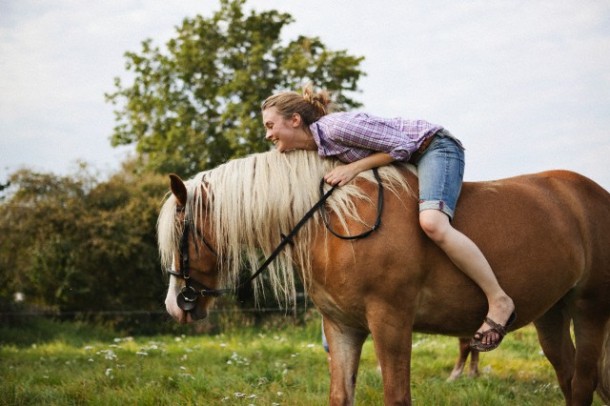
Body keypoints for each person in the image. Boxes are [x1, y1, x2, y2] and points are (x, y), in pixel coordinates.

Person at [261, 84, 516, 351]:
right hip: (405, 161)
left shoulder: (336, 128)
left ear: (294, 120)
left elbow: (404, 146)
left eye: (270, 125)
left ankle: (498, 299)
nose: (268, 134)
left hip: (433, 148)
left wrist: (355, 167)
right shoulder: (314, 149)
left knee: (433, 223)